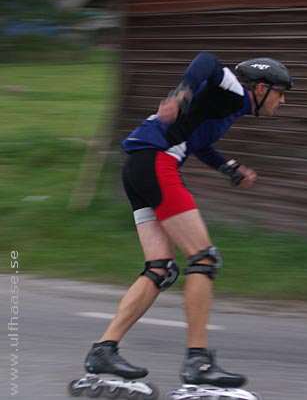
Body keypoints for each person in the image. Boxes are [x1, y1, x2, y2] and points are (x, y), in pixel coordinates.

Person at [84, 52, 293, 388]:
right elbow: (207, 60)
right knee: (205, 258)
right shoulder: (233, 91)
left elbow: (199, 142)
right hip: (157, 163)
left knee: (161, 268)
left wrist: (229, 168)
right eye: (281, 93)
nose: (283, 101)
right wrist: (181, 93)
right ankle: (197, 361)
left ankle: (103, 350)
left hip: (138, 167)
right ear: (261, 88)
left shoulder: (227, 107)